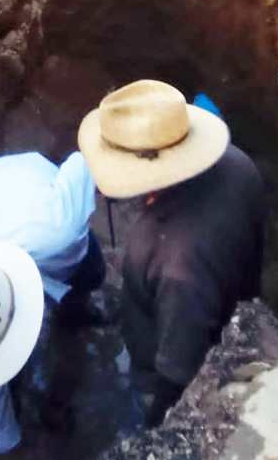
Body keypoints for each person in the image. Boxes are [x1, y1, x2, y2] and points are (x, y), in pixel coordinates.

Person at [78, 79, 266, 426]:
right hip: (234, 303)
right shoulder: (238, 162)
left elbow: (179, 366)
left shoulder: (169, 258)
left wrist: (157, 419)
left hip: (166, 360)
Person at [0, 151, 106, 454]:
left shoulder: (62, 228)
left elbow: (86, 159)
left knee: (93, 271)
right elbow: (0, 434)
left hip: (27, 182)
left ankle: (75, 311)